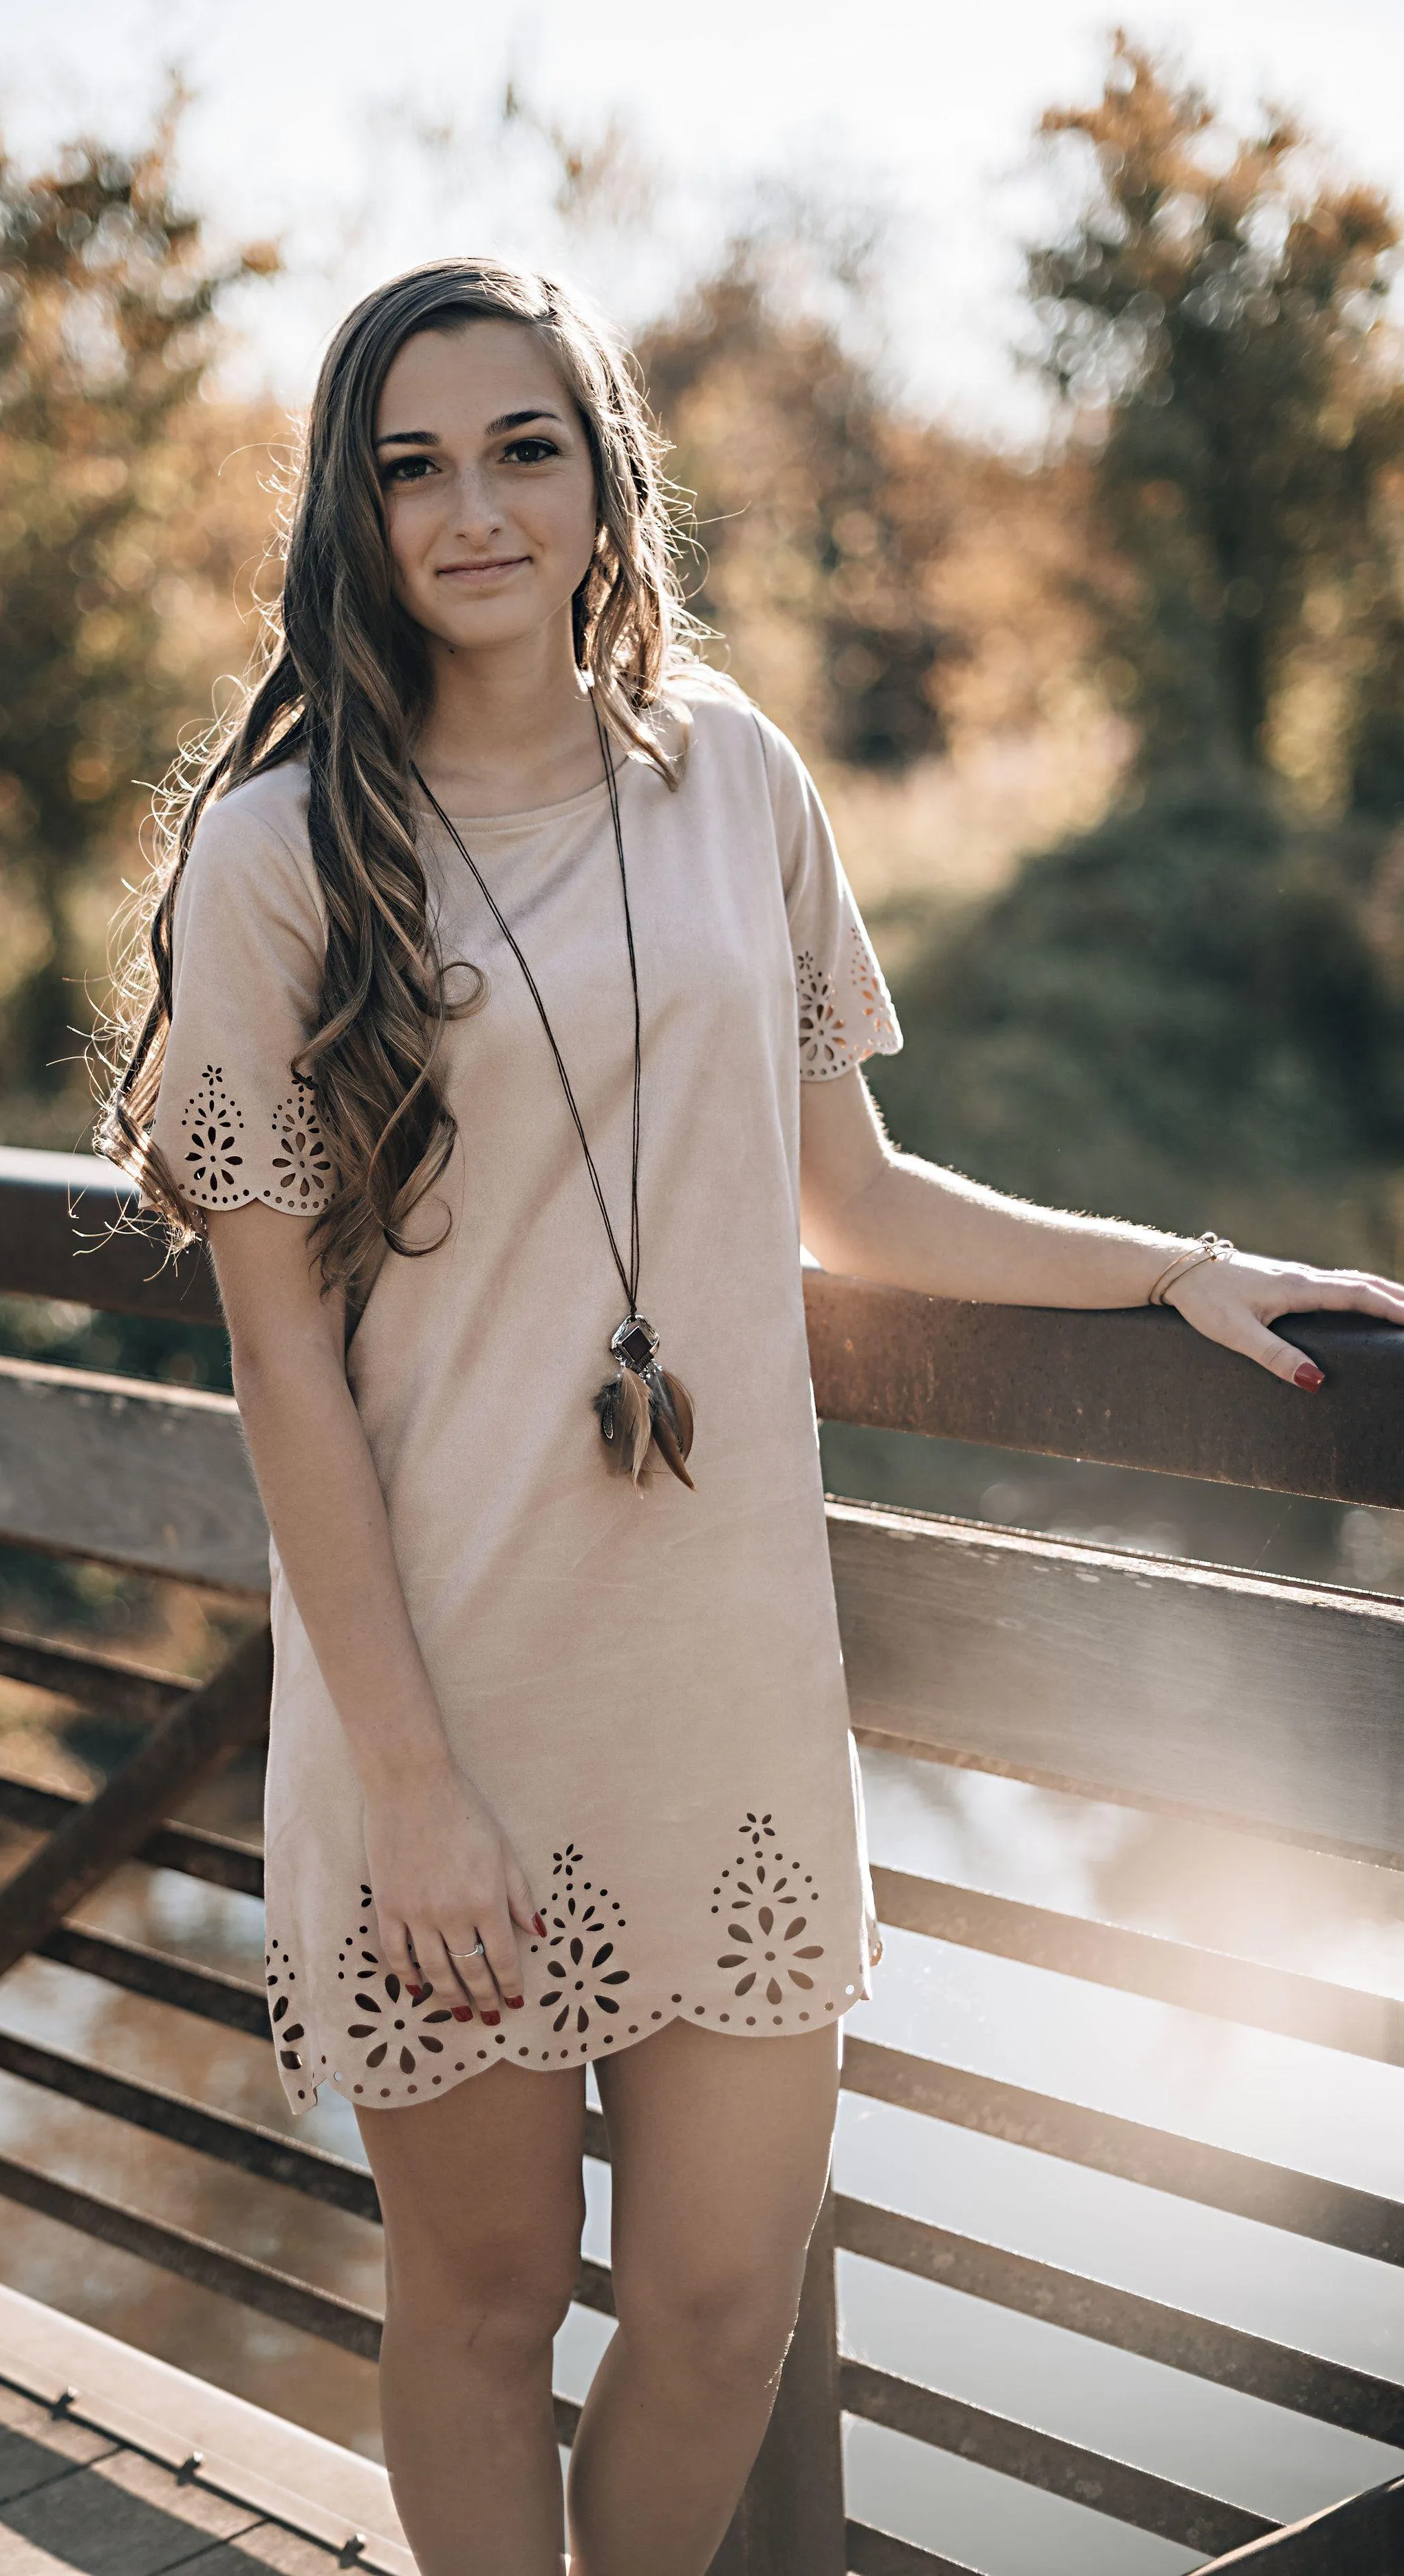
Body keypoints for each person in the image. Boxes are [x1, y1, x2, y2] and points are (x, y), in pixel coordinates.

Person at [102, 257, 1404, 2576]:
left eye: (523, 447)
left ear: (607, 474)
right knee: (489, 2305)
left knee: (715, 2305)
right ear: (351, 512)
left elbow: (857, 1197)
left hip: (721, 1686)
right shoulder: (281, 853)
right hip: (446, 1696)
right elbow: (276, 1349)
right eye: (411, 466)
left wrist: (1173, 1268)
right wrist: (407, 1781)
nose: (472, 508)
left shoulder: (731, 776)